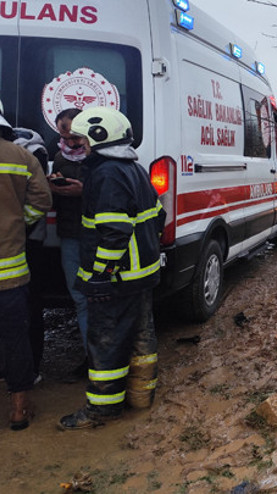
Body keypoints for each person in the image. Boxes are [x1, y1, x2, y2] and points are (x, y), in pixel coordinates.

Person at [58, 107, 164, 430]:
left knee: (106, 342)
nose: (79, 146)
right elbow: (158, 217)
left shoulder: (105, 175)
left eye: (81, 140)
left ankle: (102, 410)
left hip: (117, 279)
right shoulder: (135, 169)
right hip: (142, 275)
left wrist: (102, 275)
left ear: (99, 137)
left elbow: (114, 232)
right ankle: (140, 398)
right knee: (141, 338)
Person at [0, 99, 53, 430]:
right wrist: (20, 222)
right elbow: (42, 200)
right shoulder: (22, 157)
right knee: (16, 337)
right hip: (10, 271)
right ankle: (19, 409)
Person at [48, 108, 89, 378]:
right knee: (80, 299)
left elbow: (114, 193)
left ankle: (104, 357)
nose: (71, 142)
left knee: (101, 299)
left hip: (96, 235)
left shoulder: (100, 158)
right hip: (69, 234)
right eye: (65, 135)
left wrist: (84, 191)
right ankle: (91, 357)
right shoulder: (58, 157)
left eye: (76, 135)